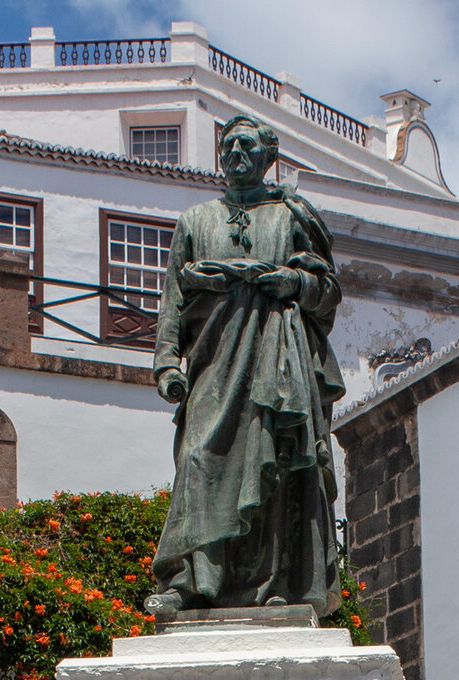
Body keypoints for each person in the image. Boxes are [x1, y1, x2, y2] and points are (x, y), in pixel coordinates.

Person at [144, 115, 345, 619]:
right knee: (198, 458)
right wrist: (168, 363)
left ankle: (272, 584)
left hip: (274, 362)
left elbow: (328, 293)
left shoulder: (291, 218)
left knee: (270, 462)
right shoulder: (194, 222)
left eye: (247, 145)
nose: (236, 152)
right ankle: (190, 581)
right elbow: (170, 302)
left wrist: (294, 284)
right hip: (213, 362)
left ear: (267, 156)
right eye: (228, 144)